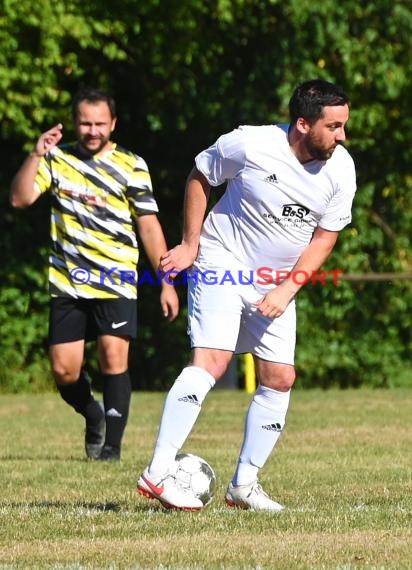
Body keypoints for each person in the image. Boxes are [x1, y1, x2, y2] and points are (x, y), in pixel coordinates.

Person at [137, 79, 357, 510]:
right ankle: (157, 472)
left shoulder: (341, 169)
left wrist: (287, 288)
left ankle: (243, 486)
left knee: (280, 377)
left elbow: (324, 239)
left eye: (344, 125)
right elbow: (201, 176)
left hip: (276, 281)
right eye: (333, 126)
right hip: (222, 260)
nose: (342, 135)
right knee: (212, 361)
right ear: (302, 123)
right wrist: (189, 244)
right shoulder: (251, 144)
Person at [10, 87, 179, 461]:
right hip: (67, 281)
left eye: (100, 123)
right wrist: (37, 154)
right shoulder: (56, 159)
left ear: (113, 124)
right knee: (63, 370)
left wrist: (166, 281)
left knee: (113, 356)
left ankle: (111, 449)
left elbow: (149, 226)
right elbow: (20, 198)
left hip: (116, 278)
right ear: (75, 122)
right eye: (85, 123)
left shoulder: (132, 164)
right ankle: (92, 413)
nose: (92, 130)